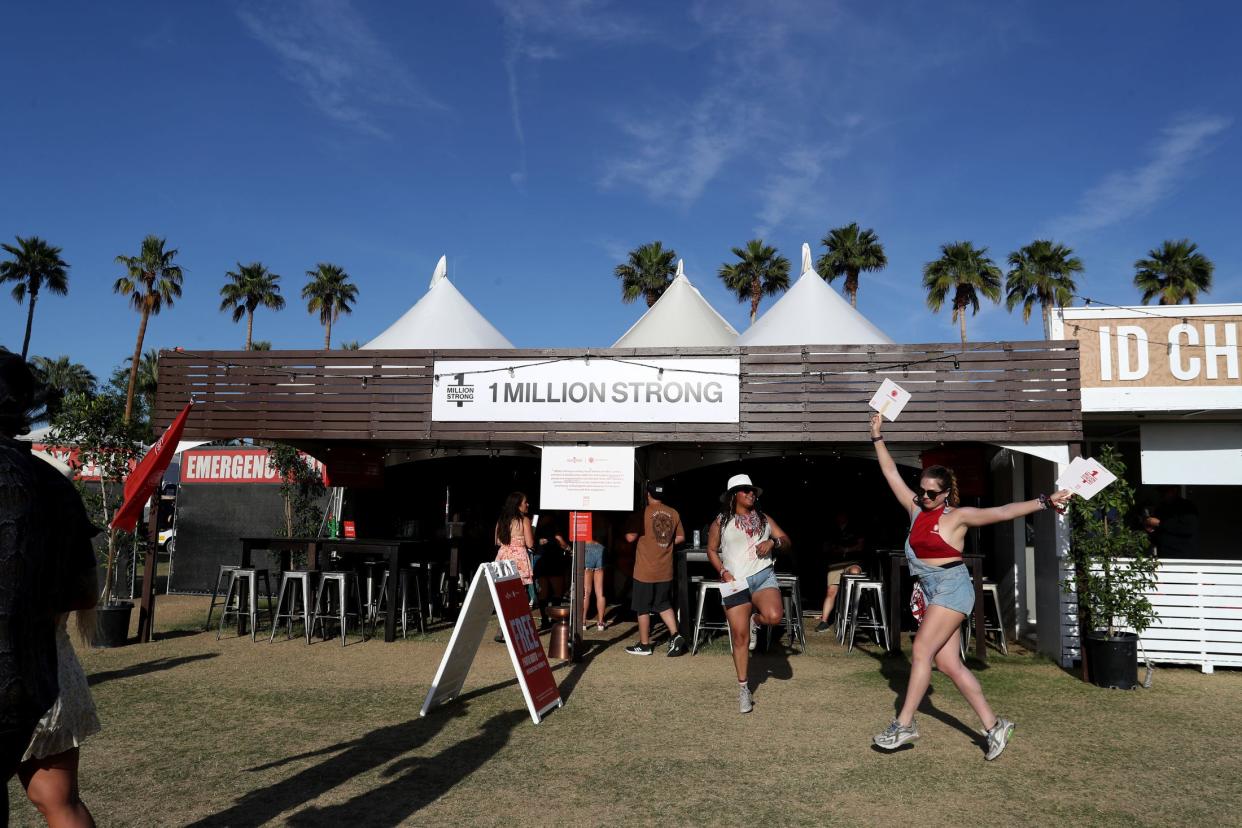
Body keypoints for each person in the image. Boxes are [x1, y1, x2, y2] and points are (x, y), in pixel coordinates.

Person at [868, 413, 1069, 759]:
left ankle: (904, 724)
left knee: (920, 652)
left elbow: (1004, 511)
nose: (926, 496)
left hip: (952, 587)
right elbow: (889, 473)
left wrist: (1045, 501)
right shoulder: (916, 510)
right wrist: (877, 437)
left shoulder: (957, 516)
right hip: (931, 589)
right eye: (922, 490)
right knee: (948, 665)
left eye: (933, 492)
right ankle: (995, 726)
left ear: (946, 493)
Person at [1, 351, 97, 825]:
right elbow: (85, 593)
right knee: (59, 801)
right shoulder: (52, 483)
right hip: (46, 667)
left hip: (40, 664)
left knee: (57, 801)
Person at [706, 474, 791, 714]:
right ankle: (743, 688)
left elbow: (786, 540)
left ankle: (756, 620)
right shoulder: (721, 521)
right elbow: (711, 550)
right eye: (745, 490)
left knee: (774, 616)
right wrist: (722, 571)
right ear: (734, 495)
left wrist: (774, 543)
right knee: (740, 637)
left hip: (763, 575)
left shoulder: (764, 519)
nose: (751, 494)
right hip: (735, 582)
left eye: (752, 490)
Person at [623, 482, 687, 657]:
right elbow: (681, 537)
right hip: (665, 570)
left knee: (642, 608)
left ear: (648, 495)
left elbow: (630, 538)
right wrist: (666, 543)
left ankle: (644, 645)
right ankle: (675, 635)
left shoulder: (642, 513)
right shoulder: (673, 512)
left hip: (644, 570)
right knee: (663, 604)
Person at [493, 492, 545, 639]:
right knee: (518, 595)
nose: (527, 504)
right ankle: (515, 629)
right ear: (518, 505)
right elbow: (529, 543)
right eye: (525, 502)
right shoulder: (524, 520)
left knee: (505, 594)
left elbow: (497, 541)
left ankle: (502, 627)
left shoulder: (502, 520)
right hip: (518, 559)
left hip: (503, 556)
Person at [815, 509, 865, 633]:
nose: (840, 517)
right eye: (838, 515)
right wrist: (833, 548)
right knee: (831, 591)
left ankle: (854, 615)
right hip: (835, 564)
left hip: (852, 562)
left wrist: (845, 549)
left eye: (842, 514)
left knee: (854, 573)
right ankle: (824, 621)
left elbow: (861, 546)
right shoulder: (831, 530)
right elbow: (824, 547)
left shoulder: (856, 528)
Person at [1143, 486, 1199, 558]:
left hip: (1183, 556)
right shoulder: (1161, 508)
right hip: (1164, 555)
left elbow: (1188, 528)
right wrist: (1150, 530)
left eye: (1164, 491)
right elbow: (1159, 533)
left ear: (1174, 490)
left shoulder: (1187, 507)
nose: (1162, 495)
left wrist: (1159, 523)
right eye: (1160, 492)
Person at [582, 530, 608, 631]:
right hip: (600, 548)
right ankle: (601, 623)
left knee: (586, 592)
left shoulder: (585, 518)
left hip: (586, 547)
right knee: (600, 592)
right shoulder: (603, 520)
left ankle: (583, 622)